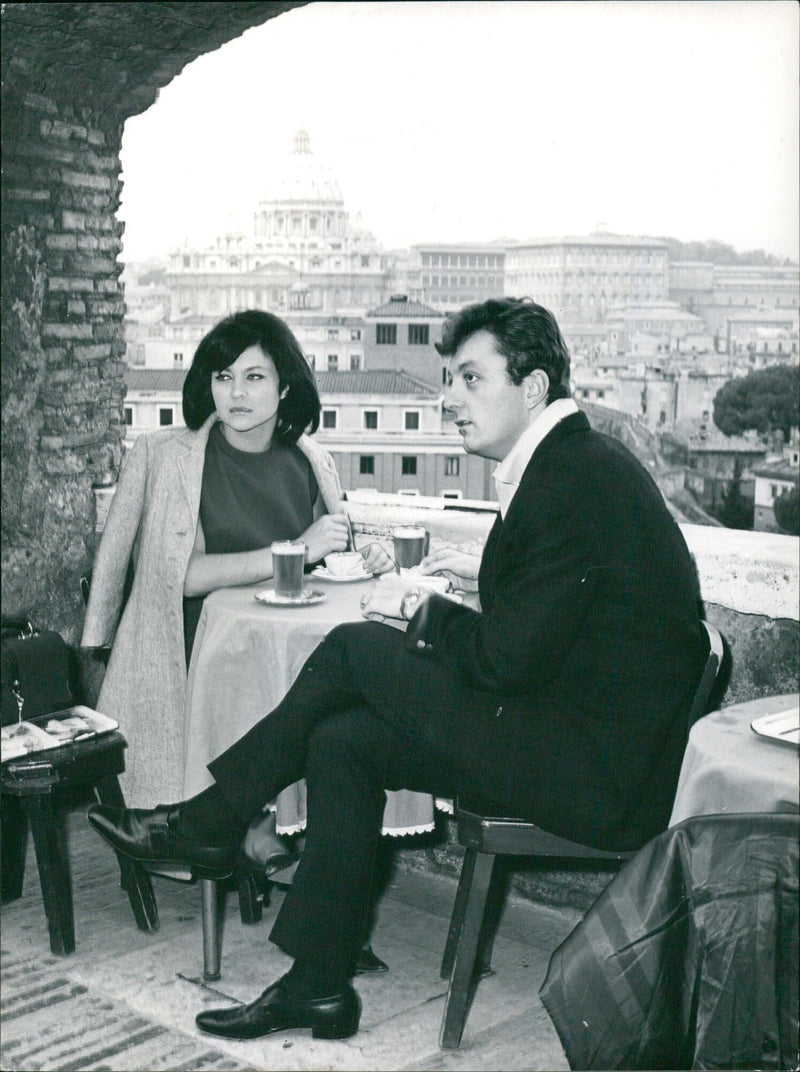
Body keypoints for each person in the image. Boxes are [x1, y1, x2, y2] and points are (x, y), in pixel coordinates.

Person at [87, 298, 707, 1044]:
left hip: (596, 773)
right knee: (345, 740)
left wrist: (420, 605)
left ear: (534, 388)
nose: (449, 398)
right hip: (571, 729)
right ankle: (318, 986)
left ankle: (208, 822)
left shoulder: (568, 480)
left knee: (354, 648)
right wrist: (468, 589)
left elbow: (504, 659)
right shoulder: (569, 464)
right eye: (451, 379)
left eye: (471, 380)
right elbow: (551, 625)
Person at [80, 309, 389, 860]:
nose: (236, 394)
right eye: (223, 377)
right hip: (195, 643)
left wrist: (359, 552)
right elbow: (188, 575)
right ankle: (256, 833)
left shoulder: (310, 459)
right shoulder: (170, 457)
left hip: (283, 637)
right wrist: (291, 551)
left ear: (285, 385)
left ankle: (251, 833)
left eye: (254, 377)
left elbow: (328, 554)